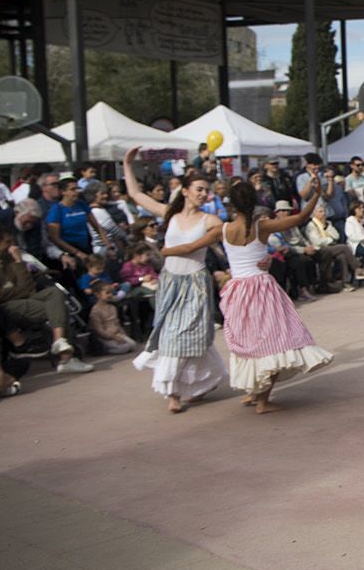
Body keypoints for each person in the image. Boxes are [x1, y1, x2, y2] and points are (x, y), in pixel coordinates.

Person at [123, 147, 227, 412]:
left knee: (191, 336)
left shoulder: (211, 219)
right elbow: (135, 194)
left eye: (206, 190)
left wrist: (168, 250)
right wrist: (127, 163)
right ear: (185, 191)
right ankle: (174, 391)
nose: (204, 193)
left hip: (194, 283)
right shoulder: (169, 214)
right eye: (199, 189)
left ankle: (196, 382)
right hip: (171, 281)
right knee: (170, 335)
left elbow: (203, 245)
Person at [219, 178, 334, 413]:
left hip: (237, 290)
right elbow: (300, 218)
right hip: (261, 288)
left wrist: (168, 250)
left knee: (249, 342)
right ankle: (262, 400)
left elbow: (191, 246)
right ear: (254, 201)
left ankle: (253, 393)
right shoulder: (262, 226)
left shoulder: (223, 229)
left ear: (231, 205)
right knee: (274, 342)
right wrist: (316, 194)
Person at [0, 224, 94, 373]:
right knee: (58, 309)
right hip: (5, 306)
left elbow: (28, 286)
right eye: (7, 242)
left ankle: (60, 342)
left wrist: (17, 263)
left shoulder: (10, 259)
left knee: (55, 293)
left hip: (25, 298)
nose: (12, 245)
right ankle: (66, 358)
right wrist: (19, 285)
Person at [85, 280, 136, 355]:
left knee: (133, 345)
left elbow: (117, 323)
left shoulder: (112, 307)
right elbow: (99, 330)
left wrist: (123, 334)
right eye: (107, 293)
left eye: (111, 293)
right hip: (105, 338)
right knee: (124, 348)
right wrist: (113, 337)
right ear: (98, 295)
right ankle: (103, 350)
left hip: (117, 334)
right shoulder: (95, 311)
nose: (110, 295)